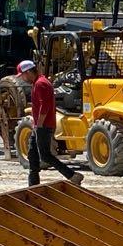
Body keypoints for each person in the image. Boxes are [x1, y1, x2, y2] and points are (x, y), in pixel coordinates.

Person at [21, 59, 80, 187]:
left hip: (43, 126)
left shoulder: (41, 84)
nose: (22, 78)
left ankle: (72, 175)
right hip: (38, 125)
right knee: (32, 155)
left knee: (45, 156)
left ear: (29, 72)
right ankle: (33, 186)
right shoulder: (38, 82)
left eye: (23, 75)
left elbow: (45, 106)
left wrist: (40, 124)